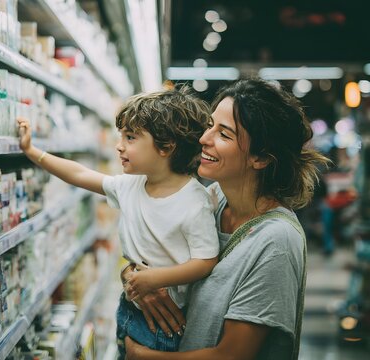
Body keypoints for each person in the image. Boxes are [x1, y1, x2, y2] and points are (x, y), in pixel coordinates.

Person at [123, 78, 330, 360]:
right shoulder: (215, 199)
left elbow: (231, 356)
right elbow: (160, 251)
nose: (203, 139)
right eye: (209, 125)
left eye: (224, 134)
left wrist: (142, 356)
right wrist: (136, 278)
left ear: (260, 158)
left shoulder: (276, 242)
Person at [16, 88, 220, 357]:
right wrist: (33, 152)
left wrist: (154, 279)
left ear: (166, 147)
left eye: (131, 137)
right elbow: (79, 173)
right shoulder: (130, 185)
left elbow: (206, 262)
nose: (119, 145)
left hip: (163, 318)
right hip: (130, 305)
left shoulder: (195, 202)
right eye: (121, 136)